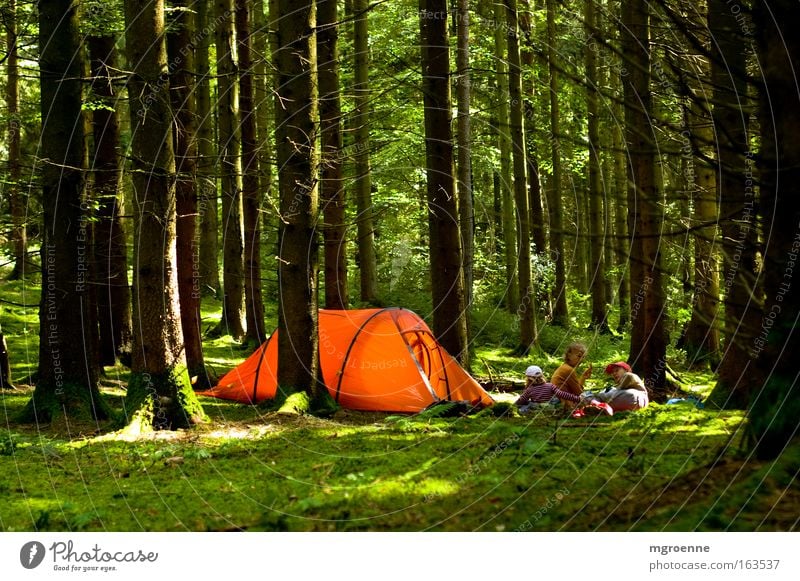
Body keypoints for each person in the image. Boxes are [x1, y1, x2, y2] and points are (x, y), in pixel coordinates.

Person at [515, 365, 582, 412]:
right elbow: (562, 394)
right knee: (556, 399)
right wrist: (577, 398)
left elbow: (521, 401)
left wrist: (514, 405)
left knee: (527, 403)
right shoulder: (550, 386)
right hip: (550, 406)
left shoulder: (529, 390)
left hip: (537, 407)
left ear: (529, 379)